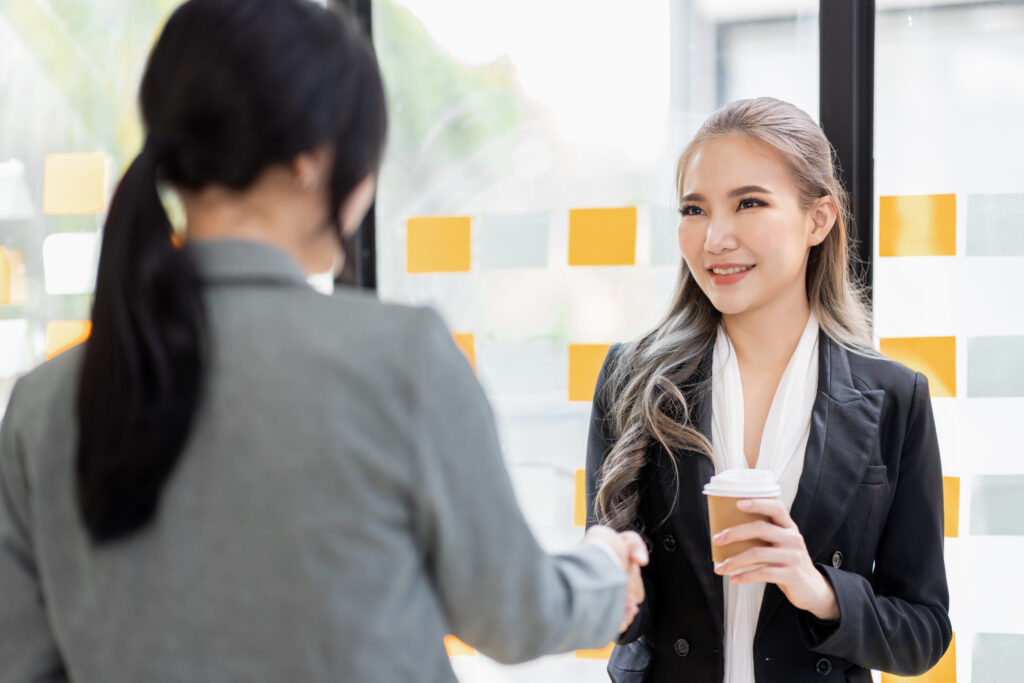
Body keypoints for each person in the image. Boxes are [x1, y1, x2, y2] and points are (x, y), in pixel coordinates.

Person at [0, 1, 648, 681]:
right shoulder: (402, 360)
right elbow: (515, 615)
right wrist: (604, 566)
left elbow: (22, 660)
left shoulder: (43, 403)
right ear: (312, 159)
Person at [585, 97, 952, 683]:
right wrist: (607, 591)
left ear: (819, 219)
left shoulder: (894, 397)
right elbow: (625, 617)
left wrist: (818, 589)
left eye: (749, 203)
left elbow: (923, 634)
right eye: (694, 209)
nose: (715, 239)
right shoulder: (632, 379)